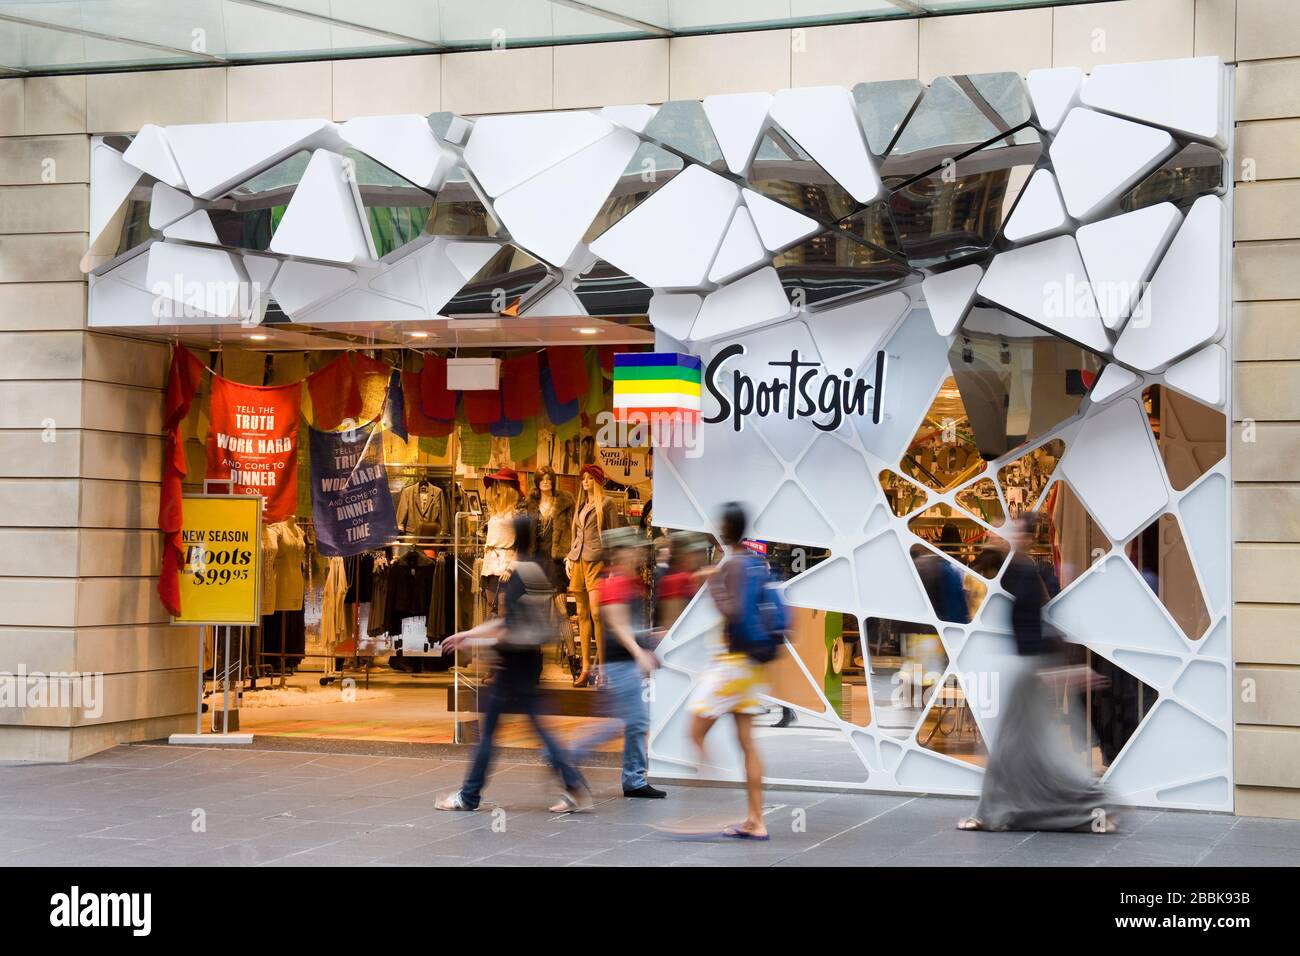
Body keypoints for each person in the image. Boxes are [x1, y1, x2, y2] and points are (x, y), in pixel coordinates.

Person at [958, 513, 1116, 833]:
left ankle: (994, 813)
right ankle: (1088, 809)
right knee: (1028, 746)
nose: (1006, 536)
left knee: (1014, 745)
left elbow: (1043, 623)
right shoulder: (1009, 570)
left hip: (1029, 668)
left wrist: (1061, 670)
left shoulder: (1028, 571)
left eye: (1014, 532)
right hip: (1024, 665)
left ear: (1028, 537)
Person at [435, 512, 591, 814]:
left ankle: (469, 796)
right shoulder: (540, 570)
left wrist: (469, 634)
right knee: (536, 728)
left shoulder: (518, 575)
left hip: (512, 665)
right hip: (531, 661)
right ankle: (573, 785)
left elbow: (507, 625)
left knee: (491, 733)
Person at [690, 503, 771, 840]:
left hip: (732, 665)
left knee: (694, 730)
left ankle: (715, 796)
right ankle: (756, 820)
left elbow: (733, 611)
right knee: (747, 743)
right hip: (750, 665)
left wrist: (713, 584)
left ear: (726, 529)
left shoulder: (734, 566)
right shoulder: (756, 564)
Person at [566, 526, 665, 799]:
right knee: (623, 723)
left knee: (633, 722)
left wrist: (647, 641)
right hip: (620, 666)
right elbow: (617, 624)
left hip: (623, 664)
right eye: (632, 549)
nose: (637, 553)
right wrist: (639, 651)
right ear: (621, 553)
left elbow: (627, 626)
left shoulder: (628, 582)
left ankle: (633, 779)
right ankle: (570, 755)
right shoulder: (615, 582)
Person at [566, 463, 622, 687]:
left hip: (597, 562)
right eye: (583, 478)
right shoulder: (581, 504)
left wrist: (613, 567)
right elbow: (576, 535)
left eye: (589, 478)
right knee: (581, 614)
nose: (585, 482)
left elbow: (614, 537)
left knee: (597, 614)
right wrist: (569, 557)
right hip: (578, 561)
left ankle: (604, 669)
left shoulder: (606, 504)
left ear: (597, 481)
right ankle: (586, 668)